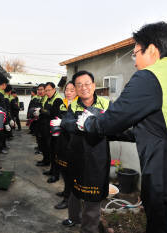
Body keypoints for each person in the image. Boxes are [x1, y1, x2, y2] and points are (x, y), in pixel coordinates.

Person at [78, 22, 167, 233]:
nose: (134, 62)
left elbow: (113, 119)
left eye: (136, 53)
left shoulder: (151, 76)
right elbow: (159, 129)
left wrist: (88, 122)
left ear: (151, 50)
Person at [51, 71, 112, 233]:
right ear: (76, 89)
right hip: (76, 155)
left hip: (97, 157)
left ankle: (89, 229)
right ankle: (74, 218)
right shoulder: (73, 106)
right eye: (79, 85)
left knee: (93, 197)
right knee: (74, 190)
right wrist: (79, 124)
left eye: (87, 84)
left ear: (93, 86)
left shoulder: (106, 105)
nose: (83, 88)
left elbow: (114, 126)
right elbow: (67, 123)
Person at [52, 81, 78, 210]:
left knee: (70, 172)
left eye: (72, 90)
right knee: (63, 168)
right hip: (62, 140)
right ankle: (66, 191)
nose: (68, 92)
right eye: (67, 90)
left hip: (73, 143)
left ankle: (68, 199)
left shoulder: (79, 105)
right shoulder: (64, 103)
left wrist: (63, 123)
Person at [39, 82, 63, 183]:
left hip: (55, 131)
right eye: (46, 90)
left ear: (54, 89)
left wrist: (42, 111)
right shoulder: (49, 99)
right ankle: (52, 170)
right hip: (47, 129)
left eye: (49, 90)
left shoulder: (57, 99)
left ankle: (56, 175)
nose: (47, 92)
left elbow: (53, 114)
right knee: (51, 151)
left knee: (55, 153)